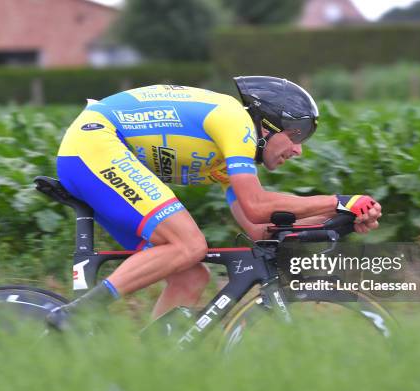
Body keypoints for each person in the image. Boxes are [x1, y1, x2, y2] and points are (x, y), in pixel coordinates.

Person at [46, 76, 382, 330]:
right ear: (267, 125)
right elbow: (256, 205)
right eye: (295, 135)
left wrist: (339, 217)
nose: (298, 149)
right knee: (190, 244)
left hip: (95, 155)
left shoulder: (226, 156)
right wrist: (338, 200)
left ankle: (146, 364)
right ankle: (78, 314)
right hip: (95, 145)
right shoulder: (236, 121)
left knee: (191, 276)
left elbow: (260, 226)